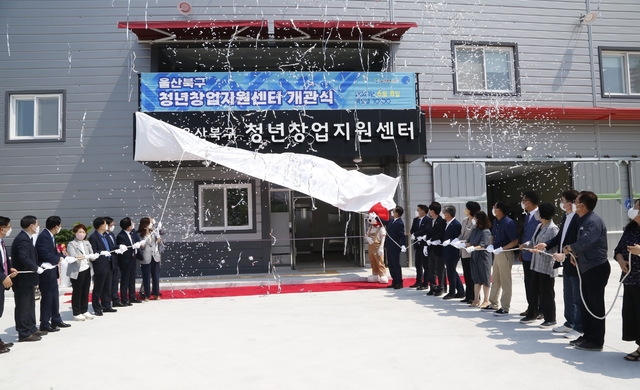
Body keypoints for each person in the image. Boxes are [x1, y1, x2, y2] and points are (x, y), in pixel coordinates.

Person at [563, 191, 610, 351]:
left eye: (575, 201)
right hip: (585, 267)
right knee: (585, 304)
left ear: (582, 205)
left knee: (595, 306)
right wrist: (574, 254)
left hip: (595, 268)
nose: (573, 203)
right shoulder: (583, 219)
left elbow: (586, 242)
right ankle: (587, 335)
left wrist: (571, 248)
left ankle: (596, 341)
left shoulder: (593, 221)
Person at [535, 190, 582, 339]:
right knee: (568, 294)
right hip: (565, 261)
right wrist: (546, 244)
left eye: (563, 200)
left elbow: (578, 240)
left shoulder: (578, 218)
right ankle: (569, 322)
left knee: (576, 296)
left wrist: (568, 253)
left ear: (571, 203)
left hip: (574, 260)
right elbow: (559, 237)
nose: (561, 203)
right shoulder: (566, 217)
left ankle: (578, 326)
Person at [521, 203, 559, 328]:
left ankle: (550, 318)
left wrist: (540, 250)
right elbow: (534, 241)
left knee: (547, 292)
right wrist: (527, 245)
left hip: (546, 265)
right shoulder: (539, 226)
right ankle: (532, 313)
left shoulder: (553, 228)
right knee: (533, 289)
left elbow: (553, 247)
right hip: (536, 264)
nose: (536, 214)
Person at [11, 216, 46, 342]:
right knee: (23, 306)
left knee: (30, 305)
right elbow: (23, 258)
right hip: (23, 280)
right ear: (31, 226)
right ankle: (24, 332)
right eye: (36, 224)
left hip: (29, 279)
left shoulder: (27, 238)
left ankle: (31, 328)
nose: (37, 227)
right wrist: (35, 268)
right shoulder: (22, 240)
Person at [35, 216, 72, 332]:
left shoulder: (50, 236)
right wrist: (59, 259)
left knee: (54, 297)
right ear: (56, 226)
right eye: (60, 226)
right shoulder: (44, 237)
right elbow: (44, 254)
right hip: (46, 272)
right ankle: (45, 323)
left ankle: (56, 319)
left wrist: (64, 257)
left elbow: (54, 252)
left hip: (52, 271)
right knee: (47, 298)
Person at [615, 199, 640, 361]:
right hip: (630, 278)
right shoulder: (630, 228)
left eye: (637, 206)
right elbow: (618, 249)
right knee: (633, 314)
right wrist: (620, 260)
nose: (633, 208)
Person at [486, 201, 519, 315]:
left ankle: (505, 306)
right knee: (495, 279)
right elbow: (493, 235)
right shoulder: (496, 221)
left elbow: (515, 241)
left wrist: (502, 248)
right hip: (496, 253)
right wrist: (491, 244)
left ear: (499, 210)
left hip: (505, 253)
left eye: (495, 207)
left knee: (505, 281)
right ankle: (493, 303)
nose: (493, 209)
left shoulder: (509, 223)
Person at [66, 224, 97, 321]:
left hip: (87, 268)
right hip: (77, 270)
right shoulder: (71, 244)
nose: (82, 234)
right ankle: (76, 312)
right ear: (75, 233)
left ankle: (84, 310)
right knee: (77, 291)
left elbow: (91, 253)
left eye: (83, 232)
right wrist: (85, 256)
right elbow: (74, 256)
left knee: (86, 290)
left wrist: (93, 256)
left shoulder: (87, 243)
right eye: (79, 232)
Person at [519, 191, 541, 317]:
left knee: (537, 284)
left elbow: (538, 235)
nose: (522, 203)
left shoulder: (539, 215)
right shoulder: (527, 215)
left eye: (524, 201)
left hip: (536, 254)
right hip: (526, 254)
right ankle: (531, 306)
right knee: (528, 283)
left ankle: (539, 309)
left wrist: (528, 244)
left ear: (529, 202)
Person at [89, 217, 116, 315]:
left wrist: (119, 248)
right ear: (101, 226)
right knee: (98, 287)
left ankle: (106, 305)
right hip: (100, 265)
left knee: (107, 286)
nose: (107, 226)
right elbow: (93, 251)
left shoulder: (105, 236)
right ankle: (97, 307)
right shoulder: (94, 237)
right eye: (105, 224)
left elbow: (111, 247)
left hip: (109, 263)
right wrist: (101, 252)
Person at [466, 211, 492, 308]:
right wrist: (462, 243)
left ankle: (486, 300)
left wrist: (473, 248)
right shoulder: (475, 230)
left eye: (476, 218)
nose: (474, 220)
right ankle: (476, 299)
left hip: (483, 257)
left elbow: (483, 245)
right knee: (476, 278)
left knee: (485, 278)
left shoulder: (485, 231)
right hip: (475, 256)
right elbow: (470, 241)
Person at [0, 216, 18, 352]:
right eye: (8, 227)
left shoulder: (2, 242)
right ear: (2, 229)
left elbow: (4, 260)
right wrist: (2, 277)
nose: (9, 229)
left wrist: (9, 269)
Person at [117, 217, 143, 305]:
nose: (133, 224)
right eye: (131, 223)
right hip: (125, 260)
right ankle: (124, 298)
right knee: (125, 279)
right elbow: (122, 248)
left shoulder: (133, 232)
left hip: (133, 258)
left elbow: (137, 240)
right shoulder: (121, 236)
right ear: (128, 226)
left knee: (132, 278)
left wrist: (138, 243)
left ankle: (132, 297)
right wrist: (132, 247)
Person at [459, 202, 480, 303]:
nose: (465, 210)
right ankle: (468, 295)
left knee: (473, 275)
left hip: (471, 250)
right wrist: (457, 241)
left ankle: (475, 296)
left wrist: (465, 243)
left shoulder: (475, 222)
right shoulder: (464, 220)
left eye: (466, 208)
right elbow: (461, 234)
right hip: (463, 250)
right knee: (466, 274)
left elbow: (474, 236)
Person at [441, 205, 463, 300]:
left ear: (448, 214)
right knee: (452, 271)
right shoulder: (447, 223)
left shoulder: (456, 224)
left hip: (452, 252)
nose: (443, 215)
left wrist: (450, 240)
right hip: (447, 251)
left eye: (444, 213)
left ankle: (452, 292)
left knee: (451, 272)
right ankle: (461, 291)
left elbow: (458, 237)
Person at [138, 217, 162, 300]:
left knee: (156, 276)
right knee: (146, 276)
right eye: (150, 223)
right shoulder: (140, 234)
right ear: (145, 225)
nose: (152, 224)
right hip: (146, 257)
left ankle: (156, 293)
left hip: (155, 256)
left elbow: (159, 241)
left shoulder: (154, 232)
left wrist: (158, 236)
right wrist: (141, 245)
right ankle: (147, 294)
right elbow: (140, 246)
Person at [426, 202, 446, 296]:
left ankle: (441, 287)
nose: (430, 212)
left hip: (438, 248)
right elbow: (429, 232)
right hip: (431, 247)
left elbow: (441, 233)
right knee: (431, 269)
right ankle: (432, 287)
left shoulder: (441, 221)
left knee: (439, 269)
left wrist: (434, 240)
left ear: (433, 211)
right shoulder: (430, 221)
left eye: (430, 210)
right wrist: (427, 242)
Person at [384, 207, 406, 289]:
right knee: (390, 264)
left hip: (395, 247)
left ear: (397, 213)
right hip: (389, 246)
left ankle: (399, 282)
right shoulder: (392, 221)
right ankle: (394, 280)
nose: (392, 212)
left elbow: (401, 235)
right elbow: (385, 222)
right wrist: (376, 217)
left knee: (396, 265)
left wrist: (403, 244)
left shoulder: (399, 223)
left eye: (394, 211)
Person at [409, 204, 431, 289]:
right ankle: (418, 281)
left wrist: (417, 234)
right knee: (418, 264)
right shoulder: (415, 220)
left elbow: (426, 229)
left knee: (426, 264)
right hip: (417, 244)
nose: (417, 211)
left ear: (423, 211)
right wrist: (413, 234)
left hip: (424, 244)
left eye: (418, 210)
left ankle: (425, 283)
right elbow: (412, 229)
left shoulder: (428, 220)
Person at [103, 216, 122, 308]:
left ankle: (115, 299)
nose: (112, 226)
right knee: (108, 283)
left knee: (115, 281)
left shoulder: (111, 234)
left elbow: (113, 245)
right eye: (111, 225)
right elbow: (109, 247)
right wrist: (118, 247)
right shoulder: (104, 235)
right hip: (108, 262)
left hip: (114, 261)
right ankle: (107, 301)